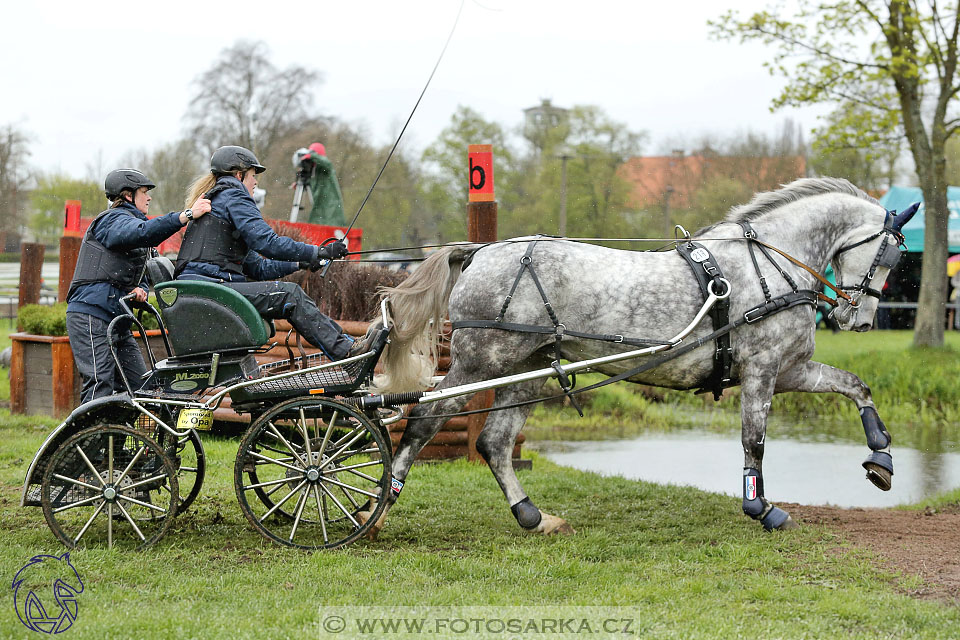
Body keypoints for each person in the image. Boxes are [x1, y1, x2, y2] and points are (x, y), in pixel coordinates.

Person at [176, 145, 363, 360]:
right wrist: (317, 251)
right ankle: (347, 352)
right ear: (239, 175)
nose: (255, 183)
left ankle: (347, 346)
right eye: (253, 176)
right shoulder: (233, 196)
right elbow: (268, 243)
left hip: (204, 290)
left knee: (288, 293)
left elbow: (259, 267)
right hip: (212, 290)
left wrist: (301, 264)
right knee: (289, 295)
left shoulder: (217, 201)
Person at [66, 169, 212, 402]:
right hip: (90, 315)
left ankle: (121, 437)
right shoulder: (111, 220)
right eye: (144, 192)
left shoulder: (134, 227)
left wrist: (141, 286)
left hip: (117, 319)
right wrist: (185, 216)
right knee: (99, 382)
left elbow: (139, 265)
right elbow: (140, 234)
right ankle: (88, 438)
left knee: (141, 388)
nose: (149, 197)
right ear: (127, 195)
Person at [297, 142, 346, 226]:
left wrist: (312, 156)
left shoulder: (325, 167)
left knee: (330, 227)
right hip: (320, 206)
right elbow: (315, 183)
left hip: (331, 207)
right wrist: (301, 182)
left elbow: (327, 163)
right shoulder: (315, 170)